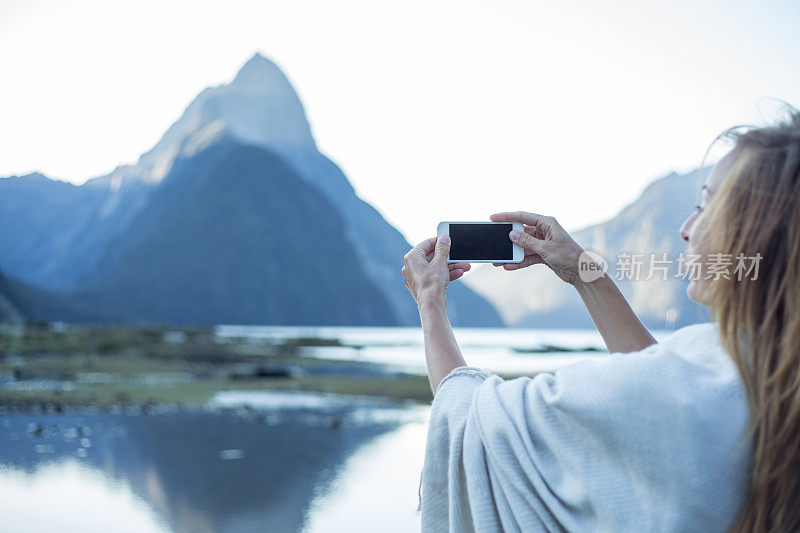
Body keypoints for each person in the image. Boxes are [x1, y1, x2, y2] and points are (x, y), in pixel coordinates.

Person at [401, 106, 800, 532]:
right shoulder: (753, 372)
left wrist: (430, 299)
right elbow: (659, 382)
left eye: (706, 206)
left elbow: (467, 428)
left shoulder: (687, 386)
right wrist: (582, 270)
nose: (686, 227)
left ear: (757, 232)